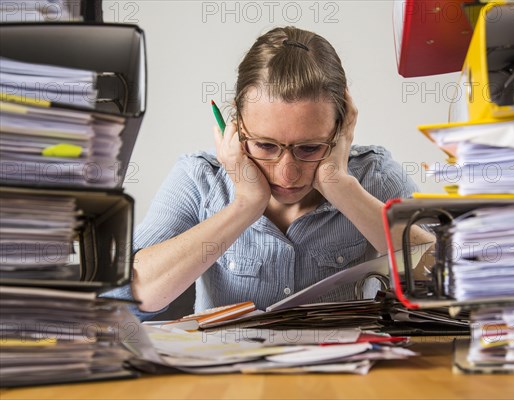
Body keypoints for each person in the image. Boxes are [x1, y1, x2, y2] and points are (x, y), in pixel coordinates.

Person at [108, 26, 433, 320]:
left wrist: (341, 187)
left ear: (341, 128)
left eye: (309, 148)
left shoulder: (374, 177)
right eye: (265, 145)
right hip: (229, 378)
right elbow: (132, 294)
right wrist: (246, 205)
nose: (287, 173)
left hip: (341, 380)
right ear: (236, 126)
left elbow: (446, 279)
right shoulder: (200, 179)